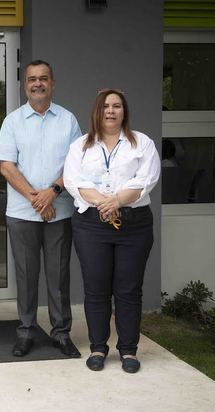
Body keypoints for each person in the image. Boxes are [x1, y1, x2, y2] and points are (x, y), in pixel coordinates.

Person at [63, 88, 160, 373]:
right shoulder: (81, 146)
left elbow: (147, 179)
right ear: (97, 111)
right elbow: (73, 181)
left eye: (117, 106)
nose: (111, 111)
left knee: (129, 290)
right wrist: (105, 205)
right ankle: (98, 348)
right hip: (92, 225)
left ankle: (128, 350)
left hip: (134, 224)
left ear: (124, 111)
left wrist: (116, 201)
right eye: (106, 106)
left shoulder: (141, 143)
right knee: (96, 289)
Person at [0, 60, 82, 358]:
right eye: (32, 79)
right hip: (22, 213)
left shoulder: (68, 120)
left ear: (52, 83)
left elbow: (76, 165)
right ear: (25, 85)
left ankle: (61, 333)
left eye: (43, 78)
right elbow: (6, 166)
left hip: (60, 212)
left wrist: (52, 193)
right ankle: (26, 332)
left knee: (58, 277)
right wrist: (37, 198)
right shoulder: (12, 121)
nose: (37, 83)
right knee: (26, 276)